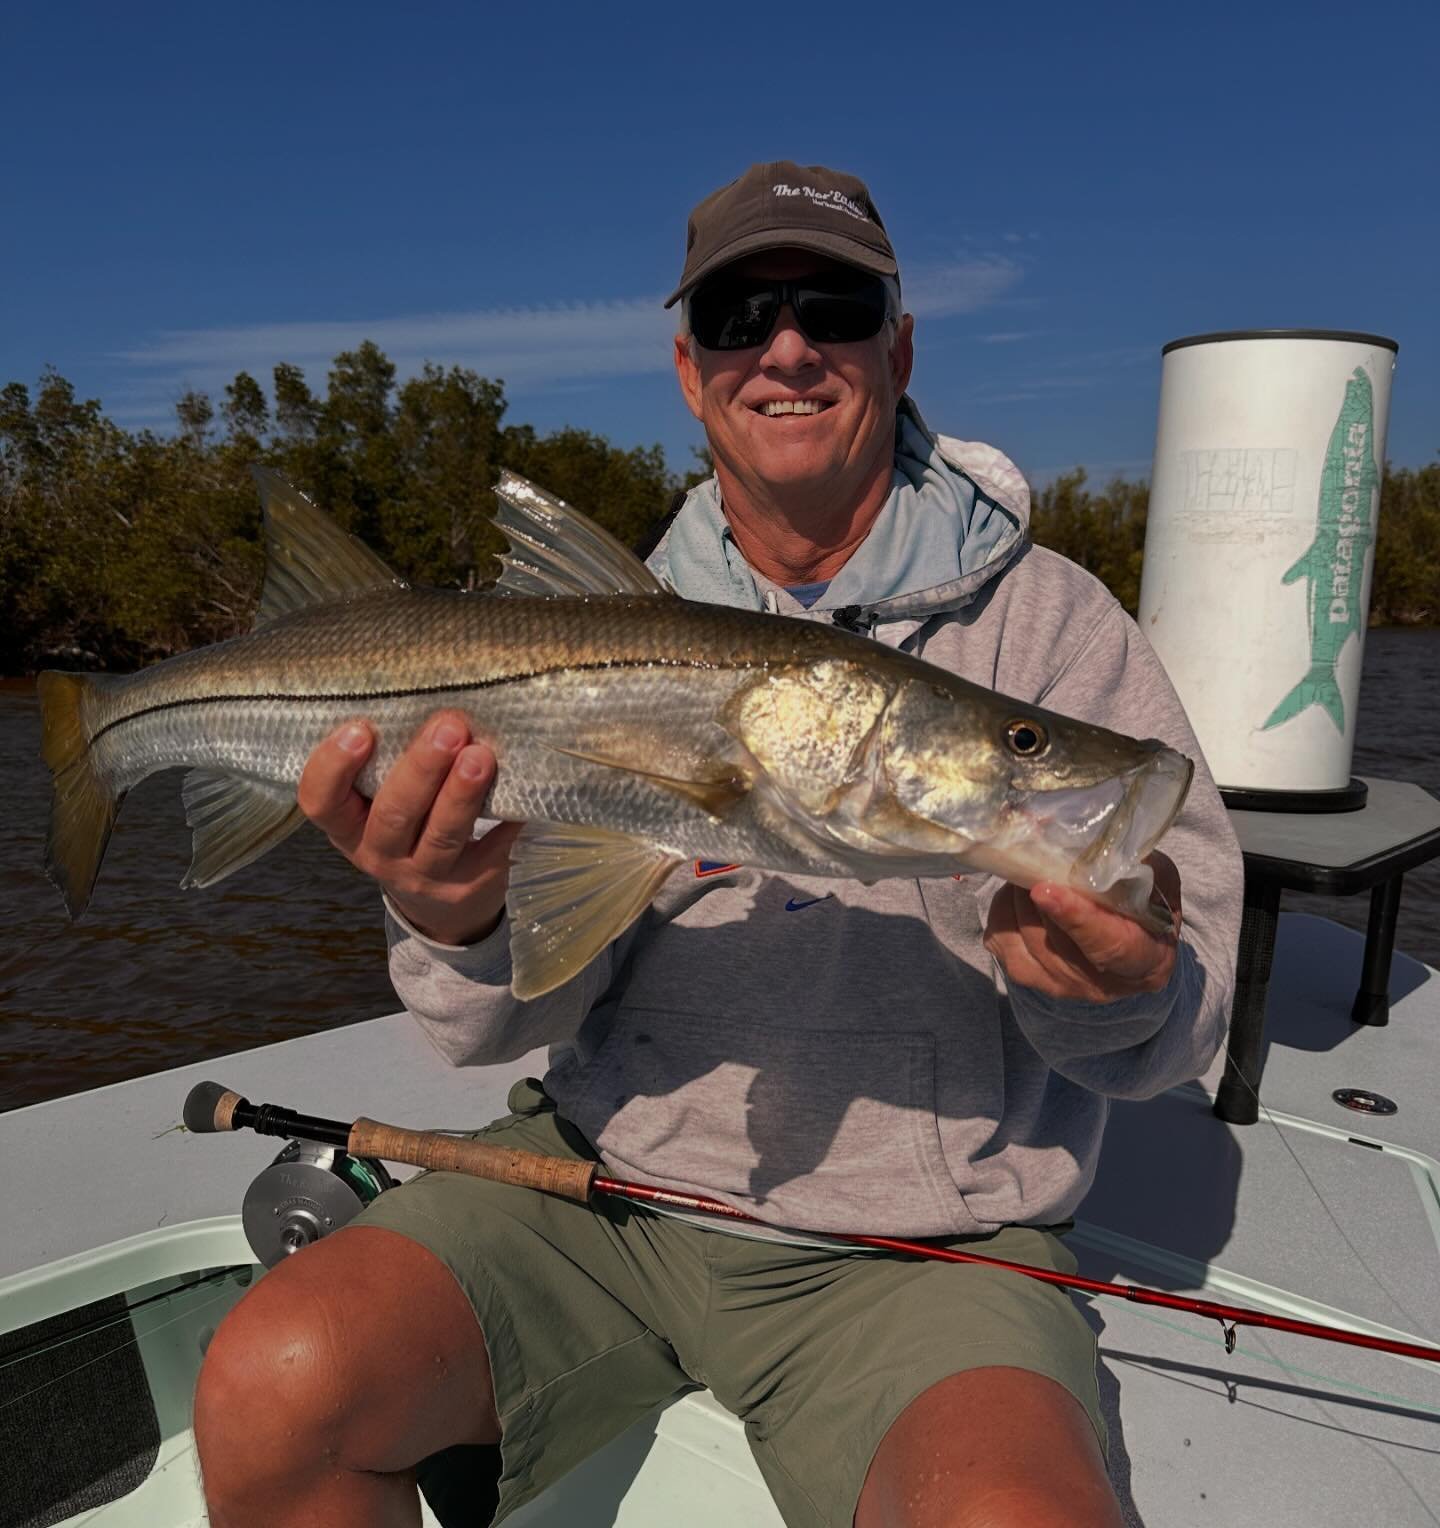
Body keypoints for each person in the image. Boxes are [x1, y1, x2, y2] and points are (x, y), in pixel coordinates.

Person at [194, 162, 1243, 1528]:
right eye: (744, 316)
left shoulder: (1057, 625)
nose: (790, 346)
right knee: (273, 1380)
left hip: (927, 1255)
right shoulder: (603, 614)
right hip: (592, 1189)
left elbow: (1184, 1016)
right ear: (692, 374)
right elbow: (491, 1029)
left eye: (835, 305)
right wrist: (456, 920)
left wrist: (1122, 987)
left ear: (899, 347)